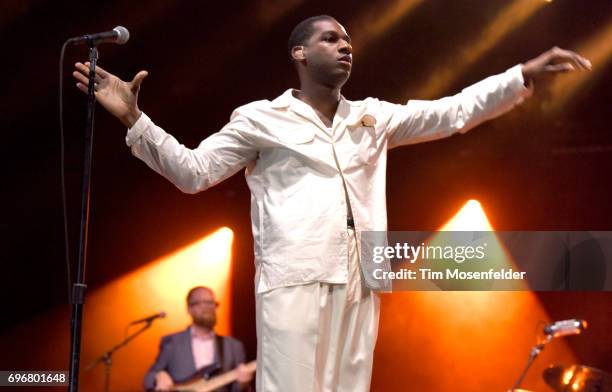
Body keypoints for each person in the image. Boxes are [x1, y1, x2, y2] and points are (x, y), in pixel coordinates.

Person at [73, 14, 591, 392]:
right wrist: (134, 121)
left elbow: (450, 113)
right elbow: (193, 172)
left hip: (362, 278)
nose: (345, 45)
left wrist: (519, 77)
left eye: (348, 39)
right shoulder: (261, 118)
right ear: (299, 53)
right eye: (331, 38)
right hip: (294, 277)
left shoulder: (372, 116)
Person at [143, 286, 253, 391]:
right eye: (202, 302)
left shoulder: (234, 346)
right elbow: (148, 378)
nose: (209, 307)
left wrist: (243, 384)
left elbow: (239, 389)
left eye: (211, 303)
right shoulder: (172, 342)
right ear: (189, 309)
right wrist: (158, 376)